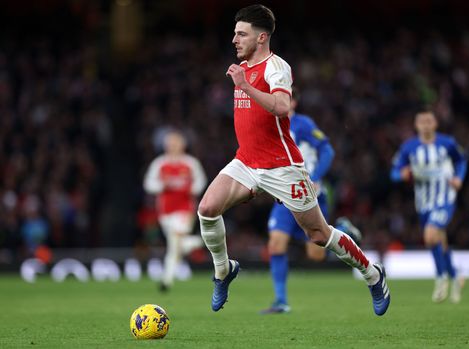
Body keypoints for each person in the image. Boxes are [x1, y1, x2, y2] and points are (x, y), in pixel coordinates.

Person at [197, 4, 390, 316]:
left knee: (318, 235)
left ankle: (373, 274)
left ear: (262, 38)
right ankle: (223, 271)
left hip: (282, 167)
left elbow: (282, 106)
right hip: (246, 162)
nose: (234, 39)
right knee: (207, 209)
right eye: (234, 33)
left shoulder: (276, 67)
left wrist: (245, 86)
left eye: (241, 34)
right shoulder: (243, 67)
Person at [261, 89, 362, 314]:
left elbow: (327, 149)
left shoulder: (303, 124)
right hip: (284, 195)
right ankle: (280, 301)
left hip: (309, 193)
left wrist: (314, 178)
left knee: (315, 254)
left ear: (293, 102)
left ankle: (342, 231)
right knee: (275, 244)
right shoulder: (268, 125)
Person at [391, 111, 467, 303]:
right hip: (423, 202)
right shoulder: (409, 147)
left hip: (444, 197)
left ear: (435, 124)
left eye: (429, 121)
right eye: (421, 121)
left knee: (430, 235)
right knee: (439, 240)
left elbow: (461, 160)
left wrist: (459, 177)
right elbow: (394, 172)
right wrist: (403, 175)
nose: (425, 125)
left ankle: (441, 278)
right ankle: (456, 275)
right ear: (416, 125)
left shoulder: (447, 143)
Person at [144, 130, 207, 292]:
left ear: (182, 145)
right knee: (175, 246)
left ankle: (166, 280)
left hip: (185, 209)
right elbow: (148, 184)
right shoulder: (159, 163)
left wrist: (192, 189)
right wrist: (161, 186)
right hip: (165, 211)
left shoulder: (190, 163)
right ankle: (201, 242)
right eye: (170, 143)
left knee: (175, 243)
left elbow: (200, 181)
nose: (172, 146)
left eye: (175, 143)